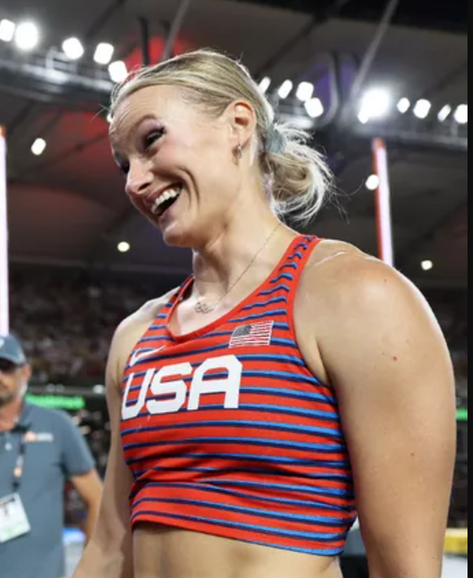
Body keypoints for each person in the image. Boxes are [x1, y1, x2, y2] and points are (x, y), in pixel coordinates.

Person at [73, 49, 456, 578]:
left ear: (237, 124)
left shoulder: (357, 297)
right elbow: (110, 549)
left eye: (151, 141)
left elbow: (406, 569)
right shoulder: (136, 336)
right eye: (124, 164)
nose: (134, 181)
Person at [0, 334, 103, 578]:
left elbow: (97, 498)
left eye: (6, 368)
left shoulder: (58, 426)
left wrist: (90, 566)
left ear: (25, 373)